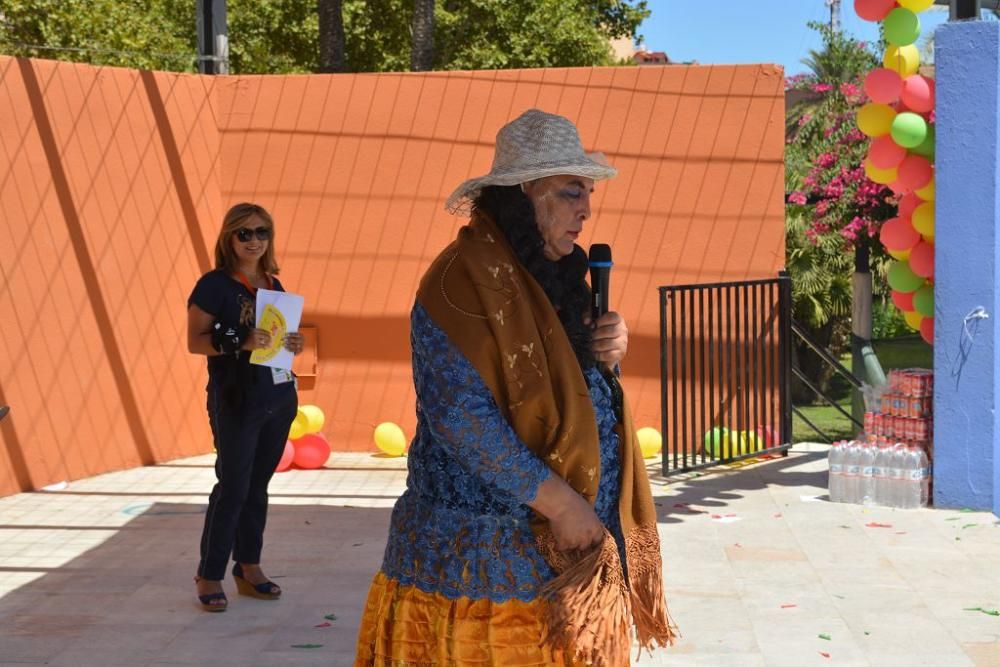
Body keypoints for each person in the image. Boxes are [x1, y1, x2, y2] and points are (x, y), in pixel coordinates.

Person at [354, 109, 675, 665]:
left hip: (571, 559)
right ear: (524, 194)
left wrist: (609, 356)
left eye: (588, 193)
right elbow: (463, 419)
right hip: (484, 569)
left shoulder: (557, 275)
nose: (587, 210)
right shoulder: (460, 280)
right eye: (571, 192)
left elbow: (576, 398)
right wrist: (563, 506)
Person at [186, 202, 305, 612]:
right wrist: (239, 341)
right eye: (245, 233)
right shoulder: (213, 286)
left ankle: (249, 567)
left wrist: (293, 344)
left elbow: (276, 345)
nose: (254, 240)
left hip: (276, 397)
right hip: (235, 400)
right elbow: (195, 341)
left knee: (258, 487)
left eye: (262, 232)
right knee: (233, 486)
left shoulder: (274, 285)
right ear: (229, 238)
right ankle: (209, 574)